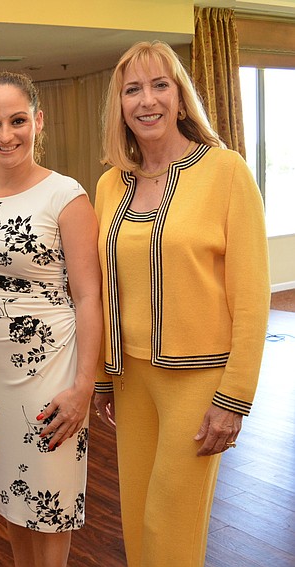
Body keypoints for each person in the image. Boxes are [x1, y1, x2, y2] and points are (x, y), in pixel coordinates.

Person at [94, 41, 270, 566]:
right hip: (131, 381)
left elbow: (253, 293)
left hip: (199, 380)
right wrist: (105, 373)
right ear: (119, 105)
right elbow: (106, 285)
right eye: (132, 89)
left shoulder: (225, 171)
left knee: (169, 524)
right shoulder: (110, 183)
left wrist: (234, 396)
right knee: (134, 520)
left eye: (159, 85)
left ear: (180, 97)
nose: (146, 101)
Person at [0, 72, 102, 567]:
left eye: (18, 120)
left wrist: (85, 386)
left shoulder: (67, 195)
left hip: (51, 371)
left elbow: (88, 297)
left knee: (50, 503)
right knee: (13, 496)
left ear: (38, 121)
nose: (6, 134)